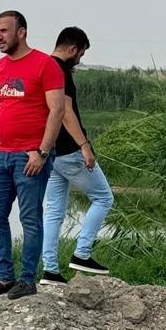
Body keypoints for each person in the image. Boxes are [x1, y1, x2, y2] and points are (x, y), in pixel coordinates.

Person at [0, 11, 66, 300]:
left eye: (4, 31)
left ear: (22, 32)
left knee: (30, 219)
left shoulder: (45, 65)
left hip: (30, 157)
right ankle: (4, 277)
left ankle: (27, 279)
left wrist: (43, 152)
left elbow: (57, 110)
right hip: (1, 156)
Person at [40, 26, 114, 285]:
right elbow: (65, 112)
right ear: (72, 49)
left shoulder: (41, 67)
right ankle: (82, 253)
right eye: (80, 54)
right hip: (69, 150)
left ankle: (50, 271)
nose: (80, 60)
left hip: (48, 152)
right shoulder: (60, 72)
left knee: (53, 212)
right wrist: (84, 145)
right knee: (104, 197)